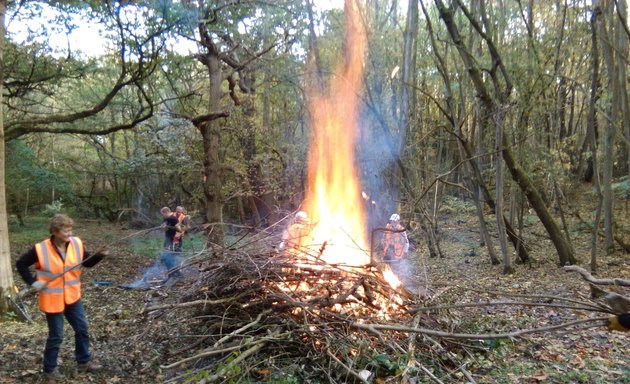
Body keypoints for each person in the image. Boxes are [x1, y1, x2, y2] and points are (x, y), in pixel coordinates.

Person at [15, 214, 108, 382]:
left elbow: (86, 263)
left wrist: (99, 255)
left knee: (82, 329)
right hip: (52, 299)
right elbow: (20, 264)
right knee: (56, 335)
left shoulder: (76, 244)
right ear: (55, 232)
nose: (69, 234)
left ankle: (84, 361)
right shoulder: (41, 249)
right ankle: (49, 369)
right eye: (66, 230)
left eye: (71, 230)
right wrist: (32, 282)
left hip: (72, 296)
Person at [159, 207, 183, 279]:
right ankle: (173, 274)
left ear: (166, 212)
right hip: (168, 240)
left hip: (174, 241)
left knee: (170, 257)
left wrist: (176, 227)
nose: (162, 216)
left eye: (162, 214)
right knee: (166, 257)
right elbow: (163, 229)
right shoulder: (165, 219)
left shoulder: (173, 219)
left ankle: (175, 274)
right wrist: (163, 227)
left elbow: (180, 231)